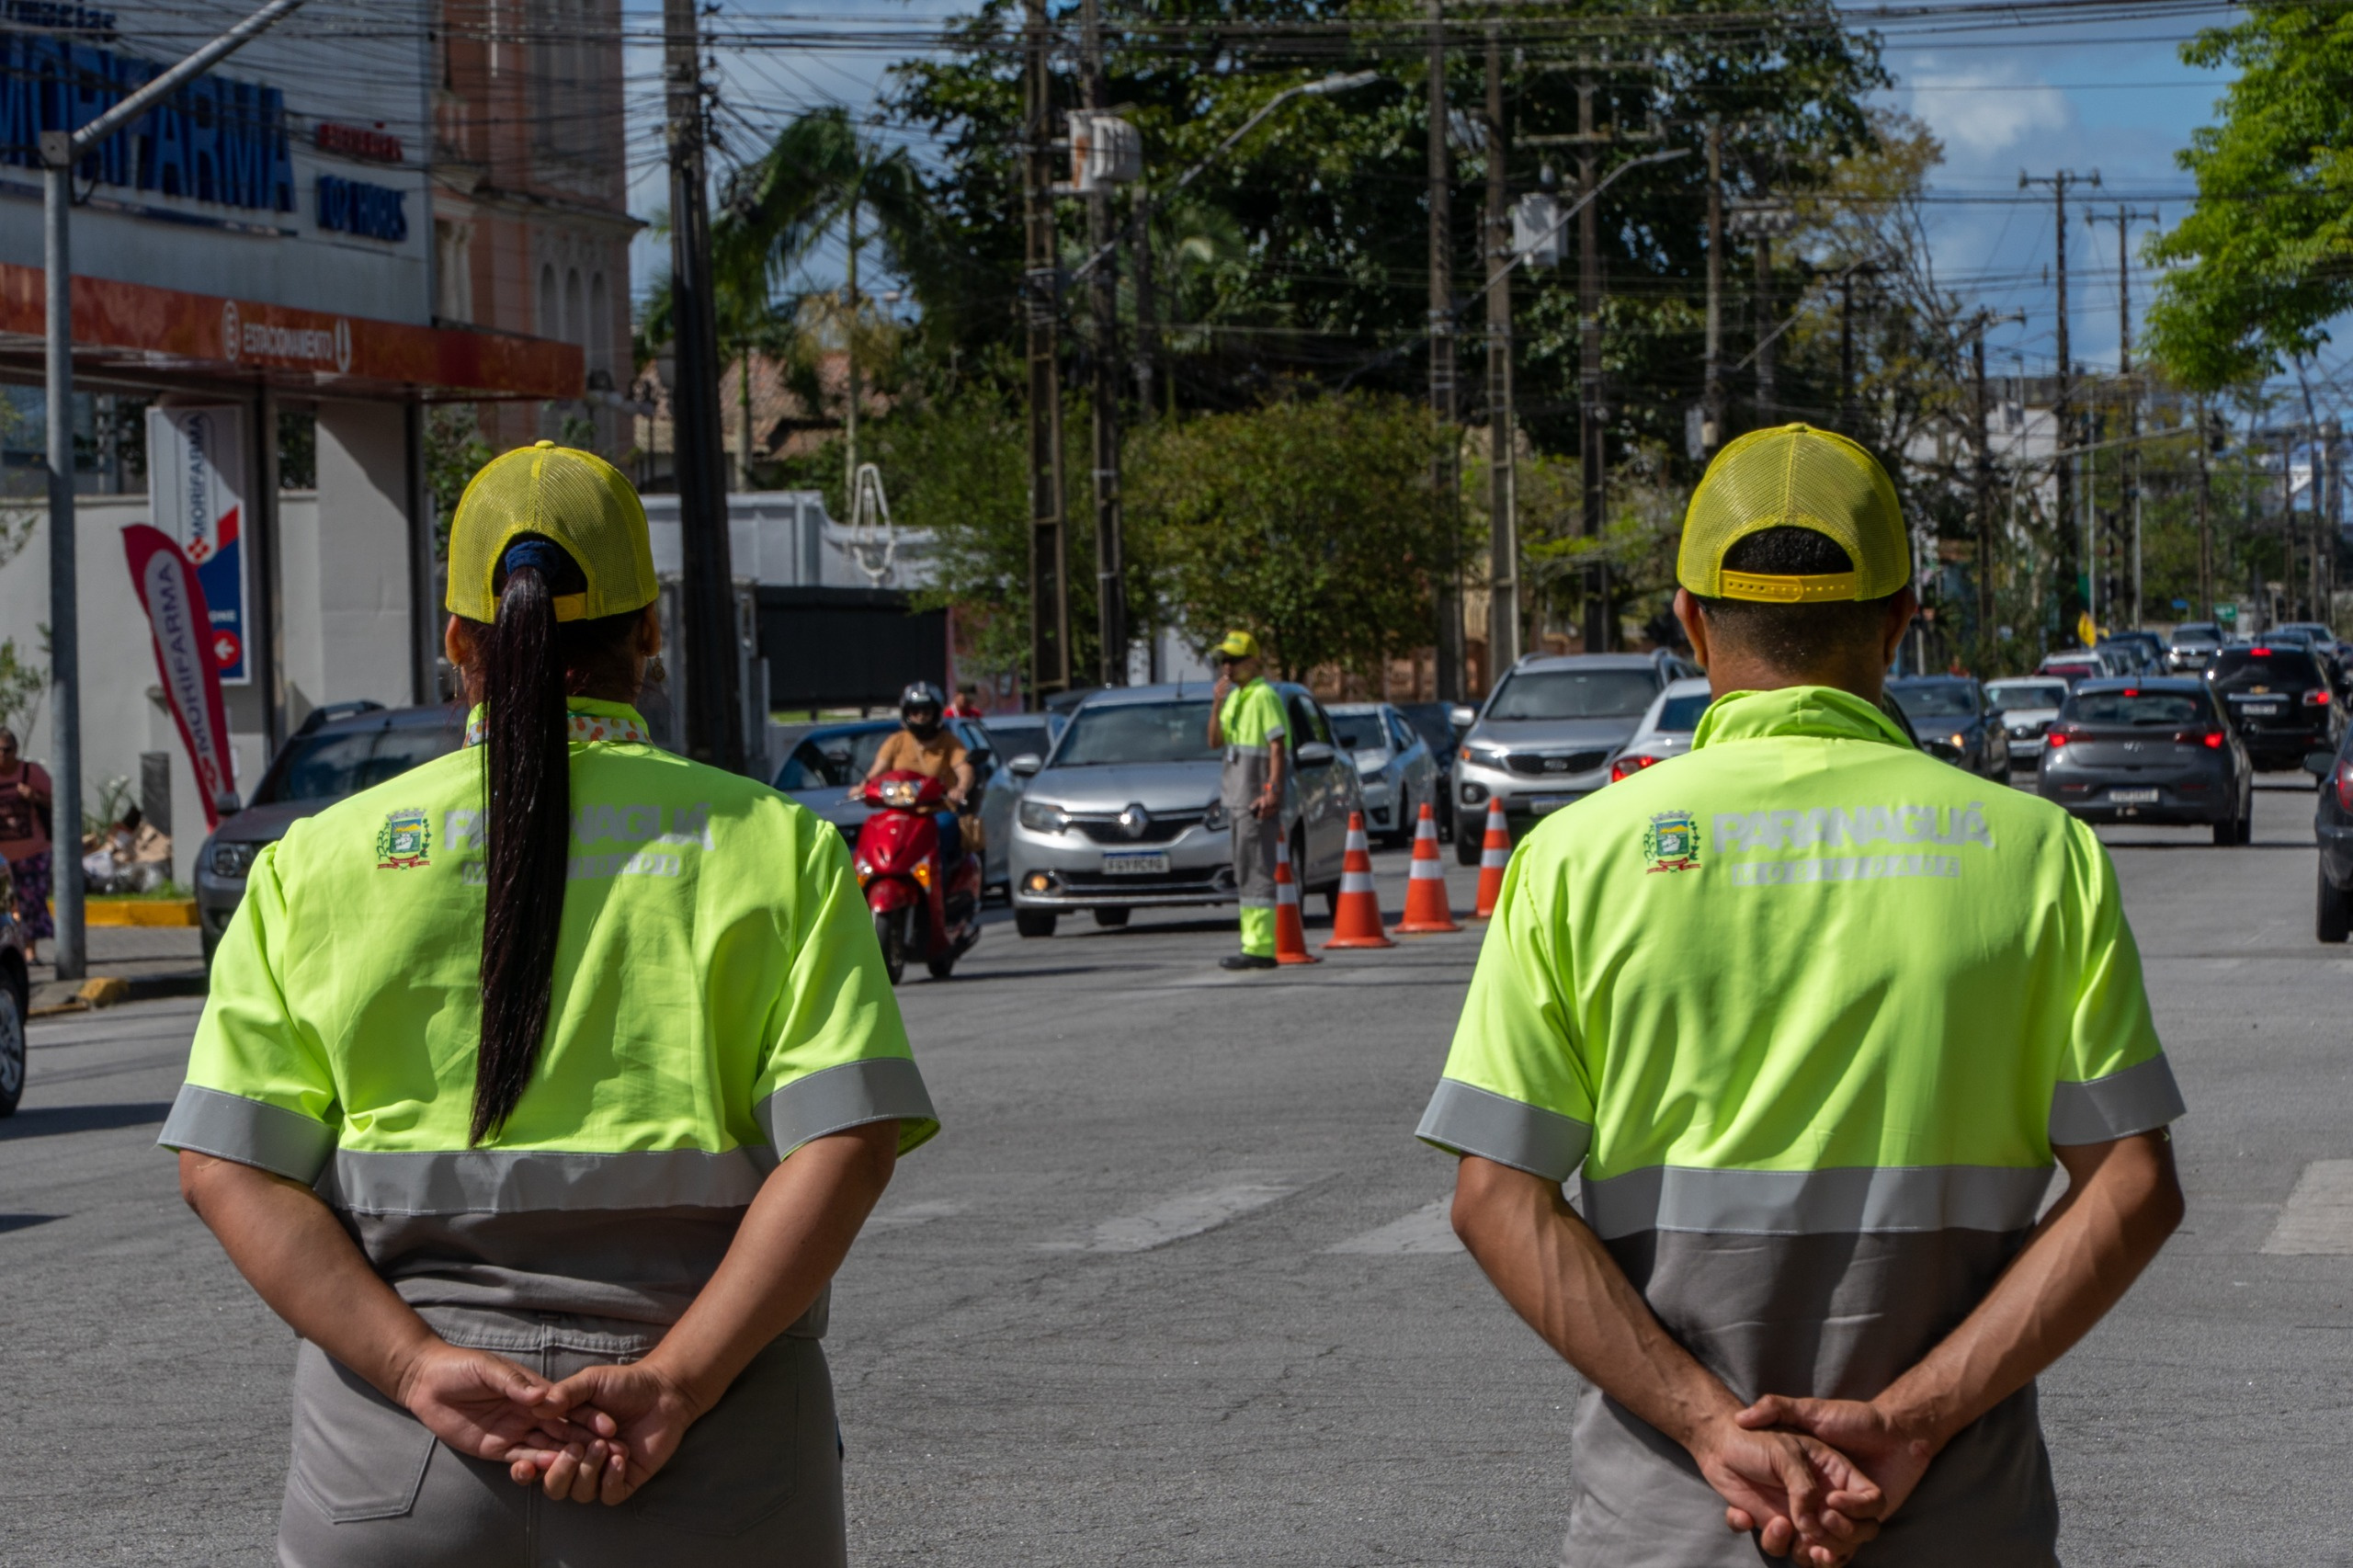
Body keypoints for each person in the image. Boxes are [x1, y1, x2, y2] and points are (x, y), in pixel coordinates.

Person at [159, 440, 938, 1566]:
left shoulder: (314, 863)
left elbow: (225, 1166)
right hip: (715, 1453)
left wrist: (416, 1367)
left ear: (457, 641)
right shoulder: (775, 849)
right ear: (649, 633)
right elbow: (847, 1145)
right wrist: (677, 1381)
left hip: (401, 1458)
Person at [1419, 424, 2185, 1568]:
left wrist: (1711, 1428)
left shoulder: (1575, 860)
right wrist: (1909, 1419)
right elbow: (2133, 1185)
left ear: (1689, 621)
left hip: (1672, 1528)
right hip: (1959, 1527)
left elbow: (1495, 1198)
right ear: (1899, 617)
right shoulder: (2038, 855)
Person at [1204, 631, 1287, 971]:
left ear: (1253, 662)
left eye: (1235, 660)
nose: (1228, 666)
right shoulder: (1235, 698)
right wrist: (1216, 704)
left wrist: (1272, 790)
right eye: (1224, 660)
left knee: (1257, 872)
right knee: (1245, 872)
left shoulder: (1264, 695)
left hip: (1255, 799)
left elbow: (1277, 746)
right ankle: (1252, 943)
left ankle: (1260, 947)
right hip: (1237, 799)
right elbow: (1214, 741)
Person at [860, 681, 976, 864]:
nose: (921, 716)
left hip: (936, 811)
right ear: (906, 713)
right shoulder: (896, 741)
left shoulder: (949, 742)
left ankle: (941, 878)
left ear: (936, 712)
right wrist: (861, 788)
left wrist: (960, 788)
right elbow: (877, 771)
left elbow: (964, 769)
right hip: (899, 812)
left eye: (926, 711)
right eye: (915, 711)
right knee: (875, 832)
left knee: (943, 829)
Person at [0, 726, 52, 955]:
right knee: (5, 905)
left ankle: (30, 950)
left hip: (33, 851)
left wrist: (34, 796)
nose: (3, 755)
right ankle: (11, 949)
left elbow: (57, 801)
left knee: (30, 902)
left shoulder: (31, 772)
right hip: (2, 857)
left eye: (7, 750)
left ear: (16, 749)